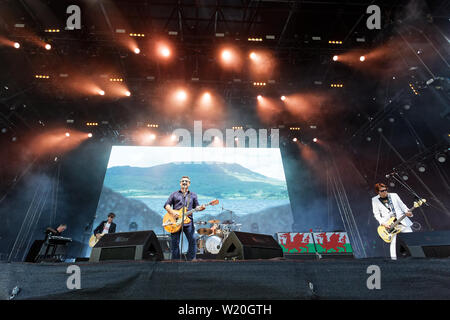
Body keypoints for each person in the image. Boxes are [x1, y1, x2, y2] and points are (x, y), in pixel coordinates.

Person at [164, 176, 205, 260]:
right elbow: (166, 205)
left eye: (186, 181)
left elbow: (197, 207)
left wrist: (201, 208)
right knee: (175, 243)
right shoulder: (174, 194)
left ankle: (191, 260)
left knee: (193, 240)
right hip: (175, 221)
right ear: (180, 183)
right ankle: (175, 262)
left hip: (188, 222)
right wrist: (172, 212)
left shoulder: (193, 195)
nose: (184, 182)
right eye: (183, 181)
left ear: (189, 184)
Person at [371, 183, 413, 259]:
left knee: (411, 239)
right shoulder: (374, 200)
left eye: (385, 190)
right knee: (394, 243)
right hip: (389, 224)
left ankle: (416, 257)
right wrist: (383, 223)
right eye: (382, 191)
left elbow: (402, 206)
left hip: (402, 221)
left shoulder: (394, 195)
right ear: (378, 192)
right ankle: (393, 260)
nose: (384, 192)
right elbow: (376, 214)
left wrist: (408, 212)